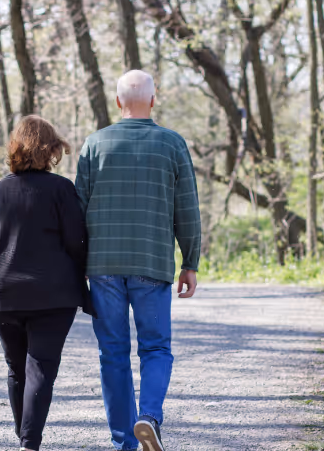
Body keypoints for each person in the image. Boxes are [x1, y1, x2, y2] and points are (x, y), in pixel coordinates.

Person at [75, 70, 201, 451]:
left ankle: (124, 442)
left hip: (103, 267)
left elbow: (76, 211)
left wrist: (75, 265)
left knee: (112, 352)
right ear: (153, 99)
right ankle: (148, 416)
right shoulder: (172, 144)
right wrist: (190, 261)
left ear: (118, 102)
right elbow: (188, 209)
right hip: (151, 262)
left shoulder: (95, 144)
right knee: (155, 348)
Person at [0, 115, 91, 451]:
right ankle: (29, 442)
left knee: (16, 367)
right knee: (40, 365)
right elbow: (76, 241)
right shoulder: (61, 190)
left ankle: (25, 437)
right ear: (52, 149)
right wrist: (83, 273)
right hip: (52, 295)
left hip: (2, 294)